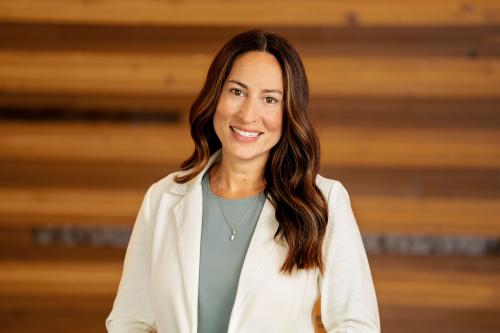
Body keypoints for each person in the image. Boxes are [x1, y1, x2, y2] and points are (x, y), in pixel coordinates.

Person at [106, 30, 380, 333]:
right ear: (215, 96)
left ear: (289, 112)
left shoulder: (323, 202)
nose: (249, 114)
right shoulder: (163, 198)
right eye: (237, 92)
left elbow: (357, 325)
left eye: (270, 99)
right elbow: (129, 319)